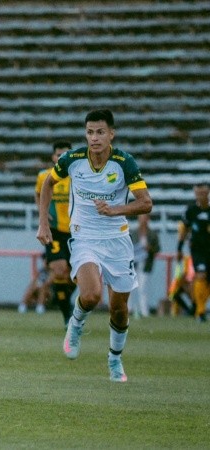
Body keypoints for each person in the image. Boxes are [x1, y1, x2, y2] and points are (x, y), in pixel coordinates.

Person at [37, 109, 152, 382]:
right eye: (90, 132)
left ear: (111, 134)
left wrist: (114, 210)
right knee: (90, 295)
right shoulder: (73, 159)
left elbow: (146, 203)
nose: (95, 138)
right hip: (84, 236)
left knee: (119, 309)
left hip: (117, 240)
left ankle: (114, 360)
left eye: (100, 132)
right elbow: (48, 184)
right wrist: (44, 223)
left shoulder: (124, 163)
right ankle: (75, 324)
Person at [35, 141, 76, 326]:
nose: (61, 158)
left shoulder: (78, 176)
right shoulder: (45, 176)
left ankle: (67, 303)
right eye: (58, 155)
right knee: (59, 270)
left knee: (75, 276)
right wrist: (42, 214)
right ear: (53, 157)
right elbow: (38, 194)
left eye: (65, 154)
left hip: (77, 233)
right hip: (55, 232)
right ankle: (67, 313)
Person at [177, 181, 210, 322]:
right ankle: (200, 311)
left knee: (207, 281)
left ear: (207, 193)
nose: (199, 196)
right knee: (200, 275)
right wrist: (179, 248)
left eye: (202, 193)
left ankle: (200, 306)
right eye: (197, 193)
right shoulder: (191, 211)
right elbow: (184, 229)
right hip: (198, 250)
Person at [129, 213, 160, 318]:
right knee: (132, 288)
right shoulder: (133, 233)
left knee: (143, 288)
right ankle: (131, 309)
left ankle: (144, 310)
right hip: (134, 264)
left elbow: (157, 249)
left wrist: (149, 248)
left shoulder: (152, 234)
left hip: (146, 264)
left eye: (144, 218)